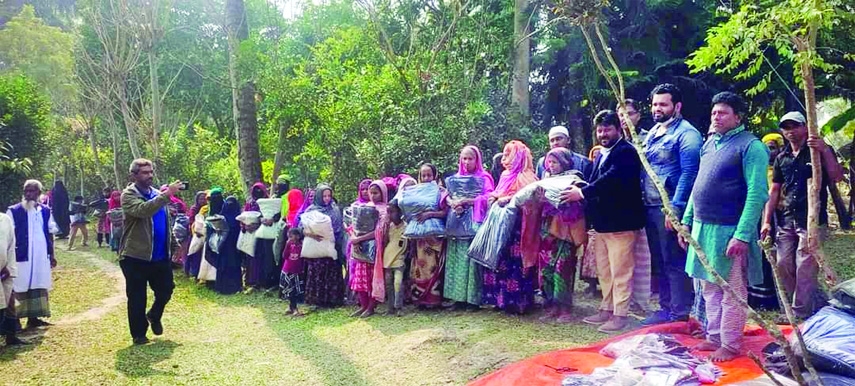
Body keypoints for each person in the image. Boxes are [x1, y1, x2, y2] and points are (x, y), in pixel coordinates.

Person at [679, 92, 768, 362]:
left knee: (732, 290)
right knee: (708, 286)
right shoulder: (710, 144)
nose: (716, 117)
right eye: (714, 112)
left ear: (738, 117)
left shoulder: (751, 146)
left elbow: (757, 193)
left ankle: (730, 344)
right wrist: (686, 219)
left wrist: (742, 235)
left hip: (730, 230)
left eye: (723, 113)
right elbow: (698, 184)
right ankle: (714, 336)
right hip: (702, 227)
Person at [561, 110, 645, 333]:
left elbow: (612, 180)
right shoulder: (600, 154)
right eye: (599, 130)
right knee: (604, 271)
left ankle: (621, 314)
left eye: (607, 129)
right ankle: (606, 308)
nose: (603, 134)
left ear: (618, 129)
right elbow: (594, 181)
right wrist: (579, 186)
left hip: (622, 223)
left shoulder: (626, 152)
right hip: (602, 224)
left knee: (621, 271)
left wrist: (582, 193)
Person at [762, 111, 844, 321]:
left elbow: (836, 176)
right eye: (786, 127)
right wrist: (766, 221)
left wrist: (824, 150)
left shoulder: (817, 153)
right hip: (787, 218)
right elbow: (775, 191)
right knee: (783, 264)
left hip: (813, 219)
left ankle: (799, 313)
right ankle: (812, 301)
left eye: (795, 126)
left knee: (805, 266)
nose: (790, 131)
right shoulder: (782, 157)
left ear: (805, 127)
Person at [639, 83, 703, 326]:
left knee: (674, 261)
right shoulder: (655, 132)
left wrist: (675, 208)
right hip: (650, 206)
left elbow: (689, 173)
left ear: (677, 106)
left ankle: (679, 313)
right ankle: (666, 309)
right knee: (660, 260)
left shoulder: (687, 135)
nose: (657, 109)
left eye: (663, 104)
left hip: (669, 208)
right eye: (655, 104)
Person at [119, 159, 181, 345]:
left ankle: (154, 314)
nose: (150, 175)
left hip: (159, 256)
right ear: (134, 175)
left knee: (166, 289)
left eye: (151, 171)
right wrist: (167, 195)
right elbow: (142, 211)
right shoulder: (128, 195)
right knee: (137, 296)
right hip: (136, 255)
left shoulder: (156, 194)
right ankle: (138, 334)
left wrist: (173, 244)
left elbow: (164, 221)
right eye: (145, 172)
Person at [482, 140, 538, 314]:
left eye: (508, 154)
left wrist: (509, 199)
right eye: (504, 154)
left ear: (518, 156)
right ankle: (502, 301)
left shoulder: (527, 176)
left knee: (517, 264)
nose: (504, 158)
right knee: (501, 262)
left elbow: (530, 203)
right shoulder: (506, 175)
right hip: (501, 228)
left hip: (518, 230)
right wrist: (494, 198)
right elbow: (496, 195)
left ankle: (520, 302)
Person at [537, 148, 587, 322]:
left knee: (563, 268)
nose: (551, 166)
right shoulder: (546, 180)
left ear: (564, 162)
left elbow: (580, 204)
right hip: (547, 229)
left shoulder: (575, 179)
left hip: (566, 230)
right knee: (546, 269)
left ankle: (565, 308)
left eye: (555, 162)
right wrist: (542, 200)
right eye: (549, 162)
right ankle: (551, 305)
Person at [444, 145, 495, 309]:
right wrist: (452, 203)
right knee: (457, 259)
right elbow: (446, 195)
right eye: (464, 158)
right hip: (456, 222)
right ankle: (458, 298)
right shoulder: (455, 178)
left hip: (474, 223)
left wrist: (468, 201)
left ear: (477, 160)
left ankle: (473, 300)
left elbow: (489, 197)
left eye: (470, 158)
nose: (466, 162)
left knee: (471, 260)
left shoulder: (484, 178)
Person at [6, 180, 56, 330]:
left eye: (32, 191)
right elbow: (8, 236)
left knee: (38, 283)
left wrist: (51, 254)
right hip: (20, 256)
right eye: (26, 191)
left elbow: (50, 233)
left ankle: (33, 318)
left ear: (39, 193)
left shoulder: (46, 211)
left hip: (40, 257)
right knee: (18, 286)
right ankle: (14, 321)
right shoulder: (14, 211)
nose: (28, 194)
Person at [409, 164, 449, 308]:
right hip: (419, 237)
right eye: (423, 175)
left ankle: (434, 300)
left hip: (435, 237)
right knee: (420, 267)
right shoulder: (415, 193)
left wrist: (430, 214)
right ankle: (420, 300)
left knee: (433, 266)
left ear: (435, 176)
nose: (426, 178)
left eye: (429, 175)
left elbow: (445, 212)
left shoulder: (440, 191)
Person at [348, 180, 388, 318]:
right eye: (371, 193)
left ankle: (371, 307)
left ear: (382, 193)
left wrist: (359, 239)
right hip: (359, 248)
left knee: (372, 279)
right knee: (360, 278)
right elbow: (353, 225)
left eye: (376, 193)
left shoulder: (384, 210)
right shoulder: (363, 207)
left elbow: (379, 231)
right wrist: (355, 239)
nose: (372, 195)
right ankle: (363, 306)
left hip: (374, 249)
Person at [301, 184, 345, 308]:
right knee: (316, 273)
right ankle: (316, 299)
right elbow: (300, 228)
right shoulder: (310, 210)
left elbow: (339, 228)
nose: (327, 198)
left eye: (329, 196)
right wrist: (311, 234)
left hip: (331, 247)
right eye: (324, 196)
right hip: (315, 248)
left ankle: (333, 300)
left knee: (331, 272)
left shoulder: (334, 209)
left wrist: (331, 237)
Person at [245, 182, 278, 291]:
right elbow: (244, 215)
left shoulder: (268, 202)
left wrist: (259, 223)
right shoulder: (250, 203)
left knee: (263, 258)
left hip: (263, 233)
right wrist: (245, 226)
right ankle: (251, 280)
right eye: (255, 190)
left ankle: (263, 281)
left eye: (260, 190)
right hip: (250, 233)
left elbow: (269, 216)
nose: (258, 193)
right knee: (251, 257)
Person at [1, 211, 26, 346]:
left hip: (5, 272)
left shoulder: (5, 220)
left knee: (9, 303)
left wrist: (9, 269)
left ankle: (11, 336)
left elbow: (11, 246)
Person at [380, 202, 408, 316]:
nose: (390, 215)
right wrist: (385, 228)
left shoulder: (406, 226)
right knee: (388, 284)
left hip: (399, 259)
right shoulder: (389, 227)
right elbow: (385, 242)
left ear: (400, 212)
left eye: (392, 212)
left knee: (398, 282)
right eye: (388, 212)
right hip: (388, 259)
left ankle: (399, 307)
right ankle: (390, 307)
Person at [214, 196, 243, 295]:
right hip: (224, 245)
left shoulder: (240, 217)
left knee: (234, 264)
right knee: (223, 264)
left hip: (235, 244)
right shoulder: (221, 216)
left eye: (232, 203)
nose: (230, 205)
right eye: (228, 202)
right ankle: (222, 286)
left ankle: (235, 286)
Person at [198, 189, 223, 284]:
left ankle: (218, 278)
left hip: (221, 238)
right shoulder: (207, 209)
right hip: (210, 236)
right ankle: (208, 278)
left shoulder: (225, 207)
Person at [280, 227, 305, 317]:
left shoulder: (302, 246)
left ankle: (294, 307)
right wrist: (286, 245)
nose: (290, 238)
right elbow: (285, 256)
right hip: (287, 270)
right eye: (289, 236)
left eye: (292, 236)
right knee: (290, 290)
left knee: (295, 291)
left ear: (298, 236)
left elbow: (303, 258)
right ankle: (292, 307)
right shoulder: (289, 245)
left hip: (297, 271)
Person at [184, 191, 207, 277]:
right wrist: (196, 230)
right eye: (200, 199)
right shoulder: (194, 208)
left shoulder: (206, 208)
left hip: (204, 232)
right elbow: (191, 220)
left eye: (204, 199)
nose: (202, 201)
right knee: (193, 252)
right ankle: (190, 271)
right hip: (194, 233)